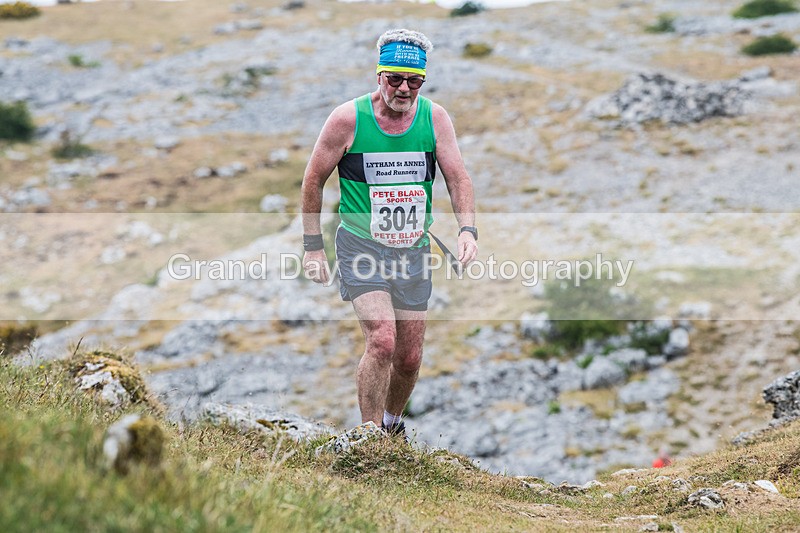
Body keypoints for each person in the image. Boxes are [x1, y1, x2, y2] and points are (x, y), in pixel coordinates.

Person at [300, 28, 478, 437]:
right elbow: (313, 180)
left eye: (414, 80)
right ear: (378, 75)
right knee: (382, 340)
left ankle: (391, 430)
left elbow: (458, 177)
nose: (404, 88)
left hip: (413, 251)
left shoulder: (435, 118)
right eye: (395, 78)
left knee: (410, 357)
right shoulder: (348, 119)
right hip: (361, 248)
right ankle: (368, 438)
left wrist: (467, 230)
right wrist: (312, 248)